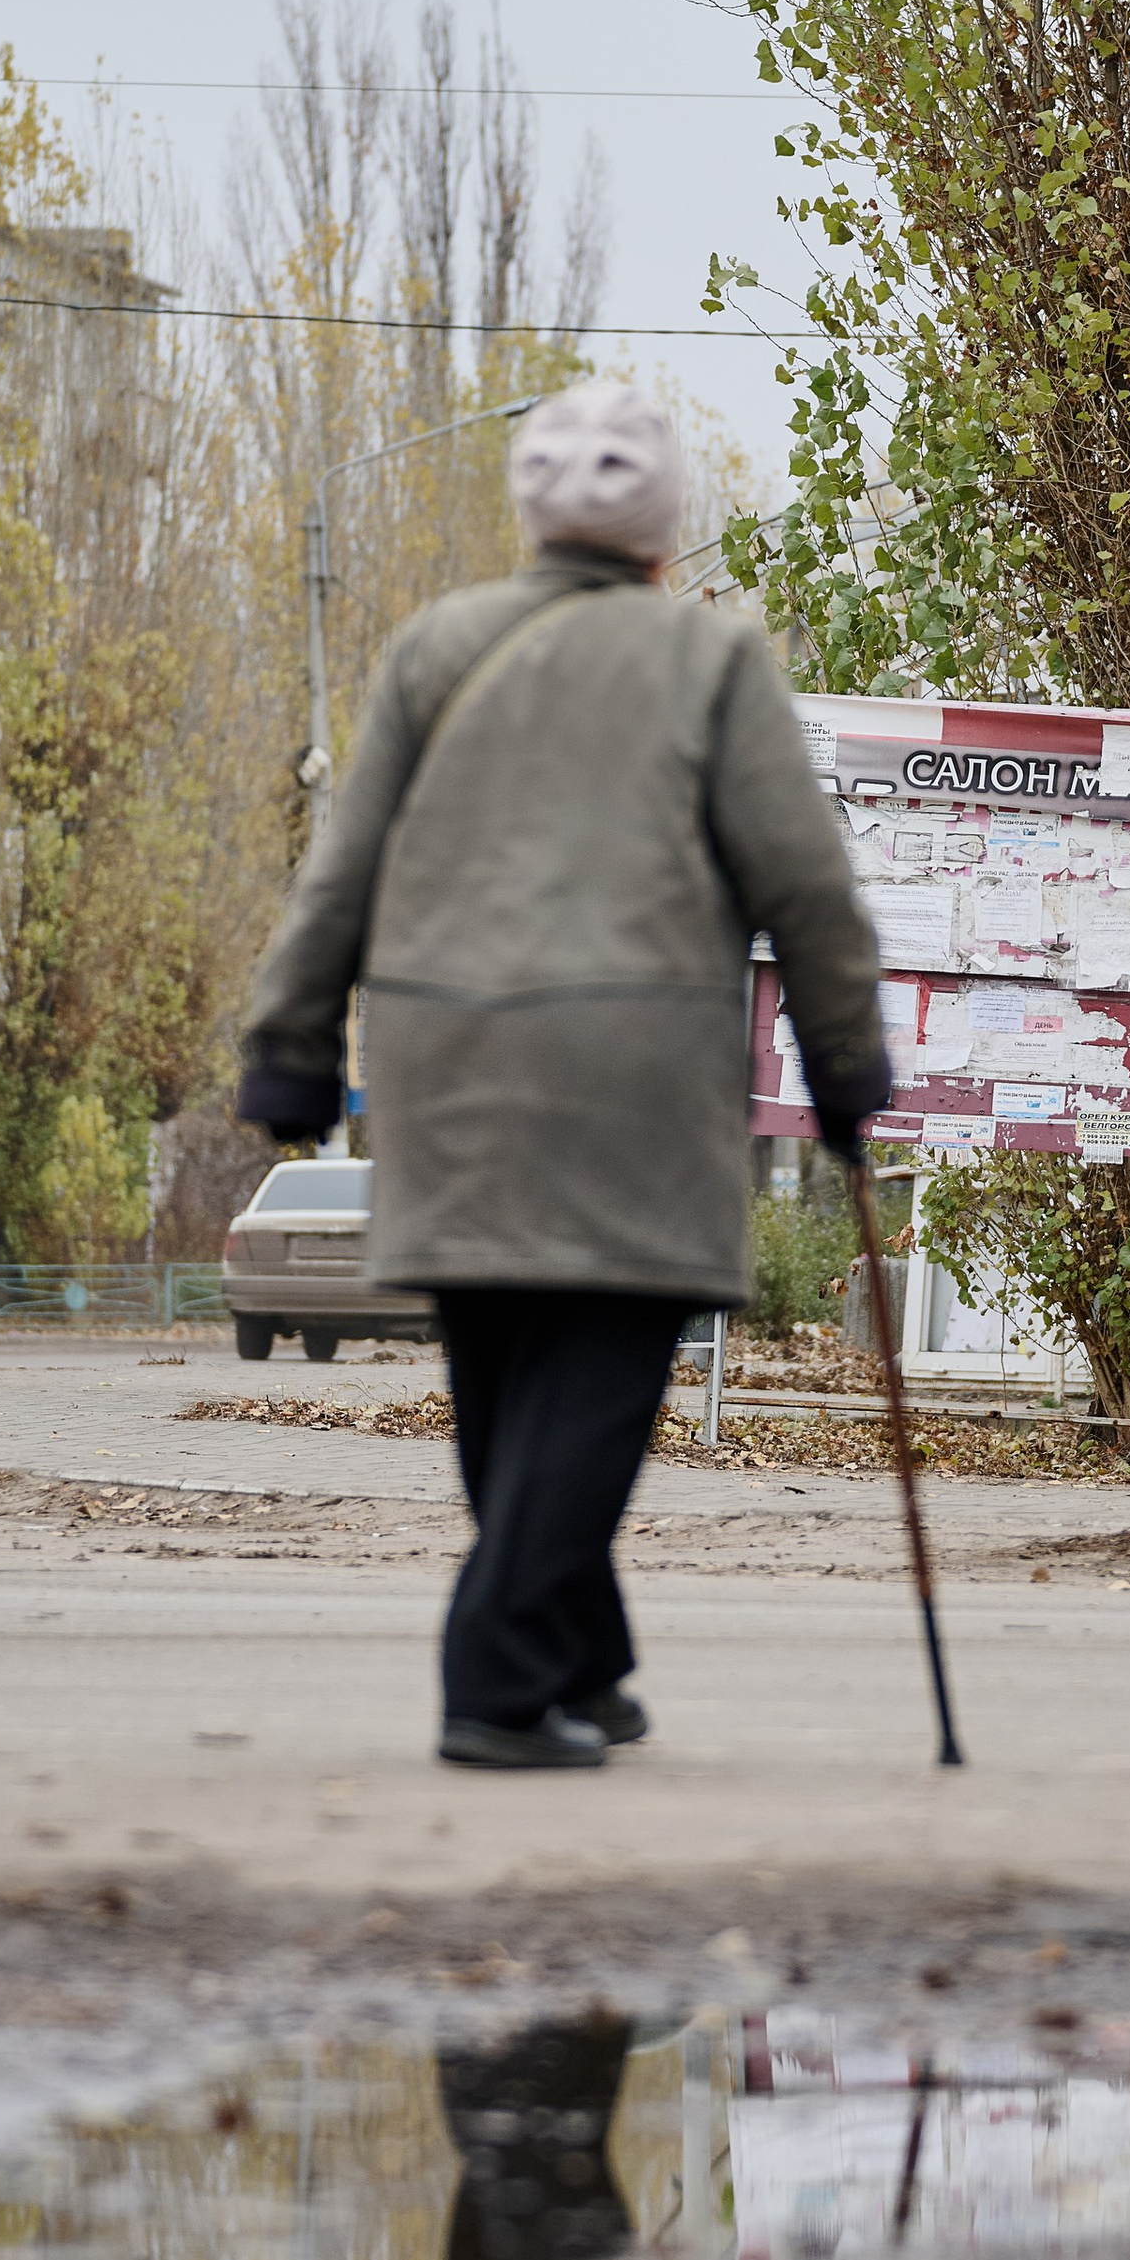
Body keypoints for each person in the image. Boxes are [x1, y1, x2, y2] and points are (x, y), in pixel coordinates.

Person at [234, 382, 887, 1769]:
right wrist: (844, 1060)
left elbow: (340, 867)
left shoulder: (434, 648)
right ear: (664, 534)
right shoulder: (712, 663)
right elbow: (805, 884)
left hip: (444, 1060)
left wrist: (289, 1043)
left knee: (504, 1383)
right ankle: (495, 1680)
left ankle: (582, 1660)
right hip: (632, 1072)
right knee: (592, 1385)